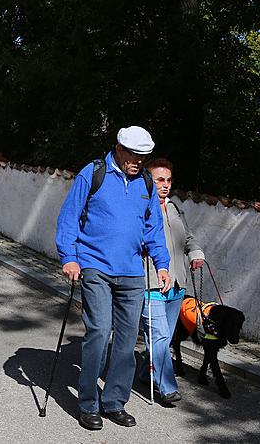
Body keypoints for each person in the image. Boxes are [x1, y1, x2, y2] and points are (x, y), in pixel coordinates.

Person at [55, 126, 171, 431]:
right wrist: (68, 256)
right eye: (133, 155)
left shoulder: (145, 182)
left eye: (143, 157)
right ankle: (88, 403)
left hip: (132, 271)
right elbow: (69, 216)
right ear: (118, 148)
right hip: (95, 266)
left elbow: (153, 227)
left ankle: (114, 401)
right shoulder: (93, 173)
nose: (138, 162)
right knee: (99, 331)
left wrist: (162, 263)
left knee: (127, 338)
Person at [140, 157, 205, 405]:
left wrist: (196, 253)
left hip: (177, 283)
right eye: (159, 180)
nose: (165, 185)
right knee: (158, 335)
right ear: (148, 180)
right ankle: (167, 387)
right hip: (151, 282)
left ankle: (144, 373)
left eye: (168, 180)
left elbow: (188, 237)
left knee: (164, 338)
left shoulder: (175, 208)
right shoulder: (139, 208)